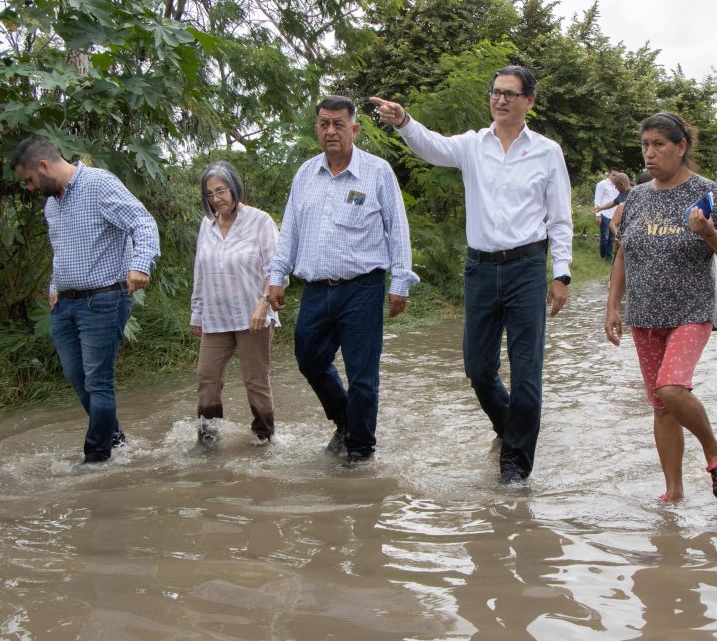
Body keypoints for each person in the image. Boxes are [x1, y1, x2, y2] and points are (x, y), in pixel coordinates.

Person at [370, 65, 574, 484]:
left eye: (510, 94)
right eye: (496, 92)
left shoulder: (547, 152)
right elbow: (432, 147)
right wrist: (405, 121)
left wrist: (562, 274)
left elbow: (560, 220)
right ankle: (511, 427)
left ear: (529, 102)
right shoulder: (471, 145)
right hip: (480, 268)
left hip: (527, 266)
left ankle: (515, 467)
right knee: (478, 369)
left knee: (526, 370)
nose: (500, 100)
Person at [266, 96, 418, 464]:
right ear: (316, 128)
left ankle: (361, 450)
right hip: (317, 290)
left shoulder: (378, 172)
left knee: (363, 375)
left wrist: (400, 281)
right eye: (323, 124)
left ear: (354, 128)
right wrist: (277, 274)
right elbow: (290, 231)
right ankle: (346, 421)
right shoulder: (305, 174)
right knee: (309, 358)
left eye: (338, 124)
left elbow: (397, 229)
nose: (330, 131)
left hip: (363, 288)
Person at [604, 112, 717, 503]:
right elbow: (623, 255)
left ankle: (715, 451)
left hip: (691, 312)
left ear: (680, 147)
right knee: (662, 406)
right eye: (645, 145)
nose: (649, 154)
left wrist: (709, 232)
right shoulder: (637, 197)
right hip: (644, 316)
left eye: (658, 145)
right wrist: (612, 307)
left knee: (671, 387)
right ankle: (673, 495)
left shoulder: (707, 193)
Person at [9, 134, 160, 463]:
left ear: (45, 165)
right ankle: (117, 441)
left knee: (98, 382)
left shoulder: (99, 184)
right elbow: (61, 251)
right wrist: (53, 286)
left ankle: (95, 460)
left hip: (104, 300)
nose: (31, 187)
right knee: (78, 380)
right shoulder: (52, 204)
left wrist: (139, 265)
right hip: (64, 306)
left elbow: (143, 223)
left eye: (30, 179)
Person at [190, 160, 280, 446]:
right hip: (215, 317)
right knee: (207, 378)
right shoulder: (208, 225)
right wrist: (197, 312)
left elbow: (276, 269)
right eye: (210, 194)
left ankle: (264, 438)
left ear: (234, 188)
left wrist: (263, 305)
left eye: (221, 191)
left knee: (255, 381)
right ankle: (208, 441)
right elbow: (200, 271)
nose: (216, 199)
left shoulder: (259, 221)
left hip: (252, 315)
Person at [594, 168, 620, 260]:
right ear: (608, 174)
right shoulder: (602, 184)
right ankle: (603, 255)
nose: (614, 177)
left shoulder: (618, 186)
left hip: (614, 215)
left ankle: (608, 257)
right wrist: (598, 215)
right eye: (613, 175)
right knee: (604, 236)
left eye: (617, 175)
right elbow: (598, 199)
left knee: (612, 238)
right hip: (604, 214)